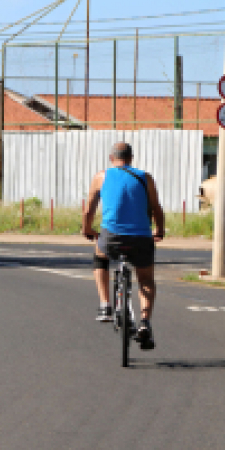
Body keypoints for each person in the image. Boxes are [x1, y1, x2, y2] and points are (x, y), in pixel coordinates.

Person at [82, 141, 165, 349]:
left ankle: (105, 305)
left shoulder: (101, 176)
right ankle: (145, 322)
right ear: (131, 158)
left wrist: (87, 229)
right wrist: (159, 230)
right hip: (141, 238)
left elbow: (89, 210)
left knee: (100, 257)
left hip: (111, 237)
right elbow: (156, 209)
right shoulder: (145, 177)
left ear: (112, 158)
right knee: (145, 278)